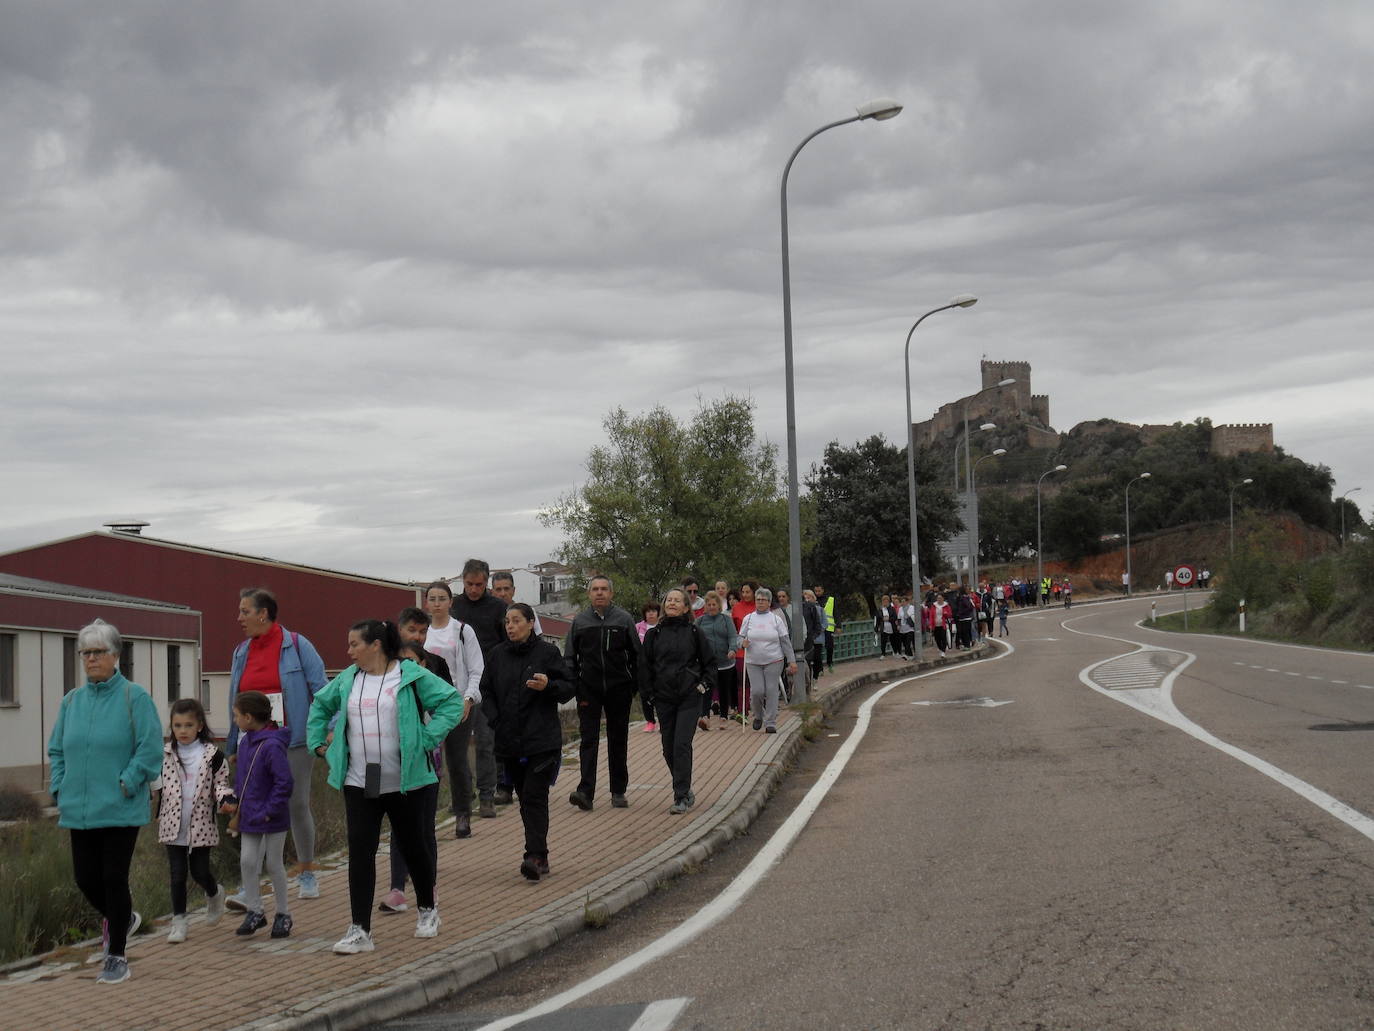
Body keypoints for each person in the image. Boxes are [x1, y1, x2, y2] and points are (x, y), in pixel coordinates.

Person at [308, 619, 464, 955]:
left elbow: (452, 702)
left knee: (413, 846)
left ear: (375, 644)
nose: (348, 652)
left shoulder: (409, 676)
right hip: (359, 780)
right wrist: (320, 746)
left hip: (406, 782)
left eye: (354, 645)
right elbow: (319, 707)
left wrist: (428, 737)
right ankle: (359, 930)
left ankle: (427, 910)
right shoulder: (348, 680)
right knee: (360, 852)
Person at [47, 619, 162, 985]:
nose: (91, 659)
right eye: (86, 653)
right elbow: (57, 749)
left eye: (98, 652)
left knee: (114, 878)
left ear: (115, 655)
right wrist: (59, 786)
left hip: (120, 806)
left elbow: (150, 748)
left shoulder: (135, 698)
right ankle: (122, 920)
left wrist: (127, 782)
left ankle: (116, 955)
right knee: (85, 878)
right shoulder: (71, 701)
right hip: (79, 807)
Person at [226, 587, 328, 904]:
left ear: (263, 614)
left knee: (295, 804)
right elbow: (235, 700)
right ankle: (251, 883)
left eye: (245, 611)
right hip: (252, 742)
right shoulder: (241, 652)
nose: (239, 617)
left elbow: (322, 690)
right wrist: (232, 743)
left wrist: (329, 730)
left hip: (292, 739)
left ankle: (307, 871)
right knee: (252, 807)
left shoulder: (297, 646)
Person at [479, 603, 575, 880]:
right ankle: (540, 855)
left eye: (516, 620)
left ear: (531, 623)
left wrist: (549, 687)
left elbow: (568, 688)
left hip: (542, 741)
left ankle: (533, 855)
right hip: (510, 741)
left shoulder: (547, 653)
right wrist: (496, 721)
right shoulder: (497, 656)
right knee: (524, 800)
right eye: (507, 621)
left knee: (535, 796)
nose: (510, 626)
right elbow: (487, 691)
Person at [379, 613, 454, 914]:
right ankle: (397, 888)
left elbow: (449, 707)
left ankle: (429, 886)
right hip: (393, 763)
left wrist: (427, 738)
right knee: (399, 828)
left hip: (426, 764)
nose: (420, 636)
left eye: (424, 632)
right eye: (413, 631)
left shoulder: (433, 671)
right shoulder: (383, 673)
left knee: (423, 829)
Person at [155, 698, 232, 943]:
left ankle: (214, 893)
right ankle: (179, 921)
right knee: (177, 874)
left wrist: (225, 800)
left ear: (199, 726)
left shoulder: (213, 756)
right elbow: (155, 784)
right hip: (172, 823)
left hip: (200, 825)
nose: (183, 731)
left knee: (199, 872)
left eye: (188, 725)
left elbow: (221, 785)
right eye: (177, 726)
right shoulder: (164, 754)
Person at [565, 575, 641, 811]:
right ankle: (585, 792)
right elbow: (570, 657)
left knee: (618, 740)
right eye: (595, 589)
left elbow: (637, 656)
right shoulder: (580, 621)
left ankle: (618, 791)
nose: (599, 593)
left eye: (604, 589)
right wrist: (576, 684)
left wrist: (633, 686)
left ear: (611, 593)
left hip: (619, 688)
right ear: (589, 594)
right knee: (588, 740)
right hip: (589, 689)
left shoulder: (624, 619)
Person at [224, 691, 295, 939]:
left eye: (236, 716)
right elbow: (242, 779)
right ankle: (255, 910)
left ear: (248, 716)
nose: (234, 721)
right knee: (247, 861)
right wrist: (234, 799)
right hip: (250, 814)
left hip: (271, 816)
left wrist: (269, 811)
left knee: (274, 863)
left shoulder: (272, 745)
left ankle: (283, 914)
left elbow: (283, 782)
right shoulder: (245, 743)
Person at [643, 587, 718, 813]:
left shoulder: (695, 633)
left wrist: (702, 686)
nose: (672, 603)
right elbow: (644, 669)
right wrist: (650, 695)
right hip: (664, 698)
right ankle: (684, 787)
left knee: (681, 745)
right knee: (668, 748)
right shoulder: (653, 635)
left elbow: (710, 664)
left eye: (677, 601)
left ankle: (681, 795)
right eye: (669, 600)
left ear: (686, 607)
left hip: (689, 697)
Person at [421, 582, 484, 837]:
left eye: (442, 598)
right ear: (426, 602)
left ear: (450, 602)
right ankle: (426, 816)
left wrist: (468, 698)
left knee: (457, 760)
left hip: (456, 704)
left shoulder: (461, 631)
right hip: (427, 707)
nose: (437, 603)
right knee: (426, 761)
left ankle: (462, 813)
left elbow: (476, 668)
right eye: (432, 598)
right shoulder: (421, 633)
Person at [450, 559, 509, 819]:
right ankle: (462, 797)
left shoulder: (498, 607)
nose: (474, 589)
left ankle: (487, 795)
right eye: (469, 584)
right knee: (456, 746)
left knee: (486, 742)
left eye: (479, 584)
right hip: (456, 687)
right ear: (462, 581)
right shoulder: (454, 606)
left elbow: (507, 645)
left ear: (487, 583)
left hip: (487, 685)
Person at [738, 587, 797, 733]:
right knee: (757, 691)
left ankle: (770, 722)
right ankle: (758, 715)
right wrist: (741, 643)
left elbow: (785, 641)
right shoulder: (749, 618)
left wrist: (792, 660)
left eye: (763, 600)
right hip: (753, 661)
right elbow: (739, 638)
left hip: (774, 660)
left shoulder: (776, 619)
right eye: (758, 600)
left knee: (771, 690)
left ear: (769, 602)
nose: (760, 602)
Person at [697, 590, 736, 725]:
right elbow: (694, 639)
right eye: (709, 604)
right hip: (707, 663)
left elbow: (732, 636)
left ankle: (723, 716)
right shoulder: (700, 621)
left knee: (724, 689)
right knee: (706, 689)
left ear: (719, 606)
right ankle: (704, 716)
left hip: (726, 661)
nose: (711, 607)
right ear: (705, 606)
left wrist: (732, 649)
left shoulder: (726, 619)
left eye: (714, 604)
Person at [634, 601, 662, 732]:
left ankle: (663, 720)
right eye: (648, 611)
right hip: (643, 667)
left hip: (660, 666)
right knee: (645, 694)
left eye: (654, 611)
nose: (651, 614)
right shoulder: (638, 627)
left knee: (661, 693)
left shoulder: (663, 627)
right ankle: (650, 721)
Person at [802, 589, 825, 680]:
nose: (807, 599)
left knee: (815, 658)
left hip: (816, 639)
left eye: (809, 597)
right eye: (805, 597)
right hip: (806, 639)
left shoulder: (817, 608)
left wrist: (814, 635)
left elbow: (821, 623)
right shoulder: (801, 608)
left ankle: (813, 678)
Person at [814, 584, 837, 671]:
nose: (817, 593)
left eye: (819, 591)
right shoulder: (813, 601)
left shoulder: (830, 600)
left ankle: (829, 663)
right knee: (818, 648)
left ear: (823, 590)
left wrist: (838, 625)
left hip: (829, 628)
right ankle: (820, 669)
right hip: (817, 628)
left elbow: (835, 612)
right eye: (816, 591)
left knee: (829, 647)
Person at [924, 592, 953, 656]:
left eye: (940, 598)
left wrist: (946, 613)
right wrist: (930, 624)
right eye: (938, 598)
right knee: (937, 638)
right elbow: (931, 615)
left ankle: (943, 651)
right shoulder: (934, 606)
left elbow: (950, 614)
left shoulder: (946, 605)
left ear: (943, 598)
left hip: (943, 624)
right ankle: (940, 648)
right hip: (935, 625)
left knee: (943, 637)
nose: (939, 599)